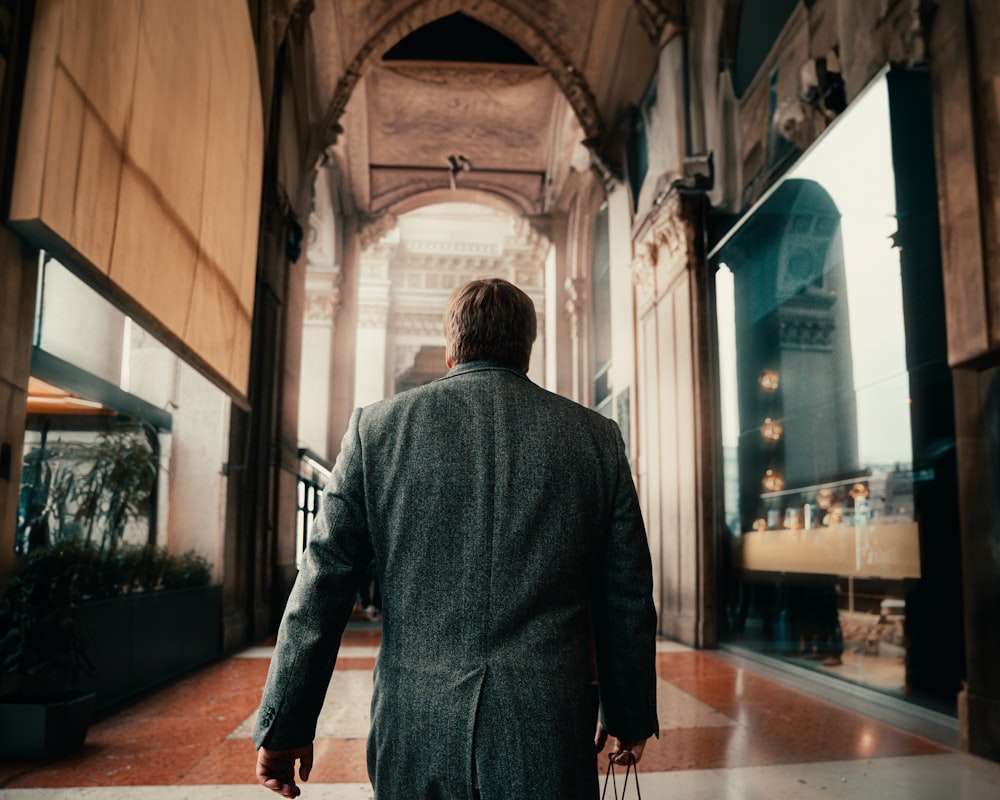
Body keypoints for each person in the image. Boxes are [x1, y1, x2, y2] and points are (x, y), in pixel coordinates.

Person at [254, 278, 658, 799]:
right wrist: (628, 713)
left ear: (450, 349)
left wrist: (284, 725)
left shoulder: (374, 432)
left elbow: (321, 587)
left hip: (415, 727)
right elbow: (625, 595)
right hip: (547, 729)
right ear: (527, 353)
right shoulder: (594, 439)